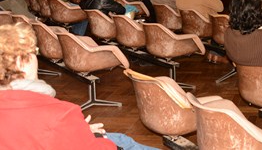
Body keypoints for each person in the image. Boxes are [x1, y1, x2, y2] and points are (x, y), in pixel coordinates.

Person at [0, 23, 157, 149]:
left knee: (119, 137)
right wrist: (78, 132)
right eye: (34, 52)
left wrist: (75, 131)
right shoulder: (60, 113)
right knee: (125, 142)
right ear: (22, 61)